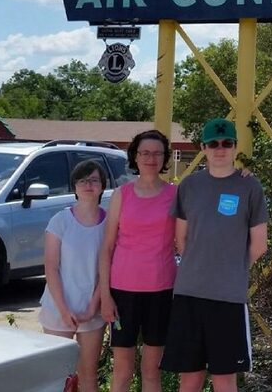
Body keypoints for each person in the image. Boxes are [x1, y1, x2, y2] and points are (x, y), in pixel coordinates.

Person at [160, 117, 268, 392]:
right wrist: (202, 265)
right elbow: (180, 240)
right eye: (213, 144)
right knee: (190, 378)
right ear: (203, 148)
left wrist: (230, 267)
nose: (220, 149)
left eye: (227, 143)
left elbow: (259, 245)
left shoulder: (250, 187)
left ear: (235, 147)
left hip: (228, 297)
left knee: (224, 379)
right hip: (189, 294)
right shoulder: (189, 186)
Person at [100, 129, 177, 392]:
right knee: (122, 370)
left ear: (165, 157)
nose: (151, 158)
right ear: (135, 156)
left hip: (161, 291)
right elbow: (106, 247)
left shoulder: (175, 194)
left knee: (151, 371)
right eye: (145, 153)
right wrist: (105, 295)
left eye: (157, 153)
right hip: (122, 293)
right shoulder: (122, 194)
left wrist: (241, 176)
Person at [39, 160, 108, 392]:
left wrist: (92, 308)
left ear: (102, 186)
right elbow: (51, 267)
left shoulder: (110, 224)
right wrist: (64, 309)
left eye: (94, 179)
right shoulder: (60, 221)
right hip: (58, 308)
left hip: (92, 311)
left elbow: (107, 270)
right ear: (74, 186)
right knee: (56, 377)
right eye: (82, 180)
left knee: (88, 376)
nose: (88, 184)